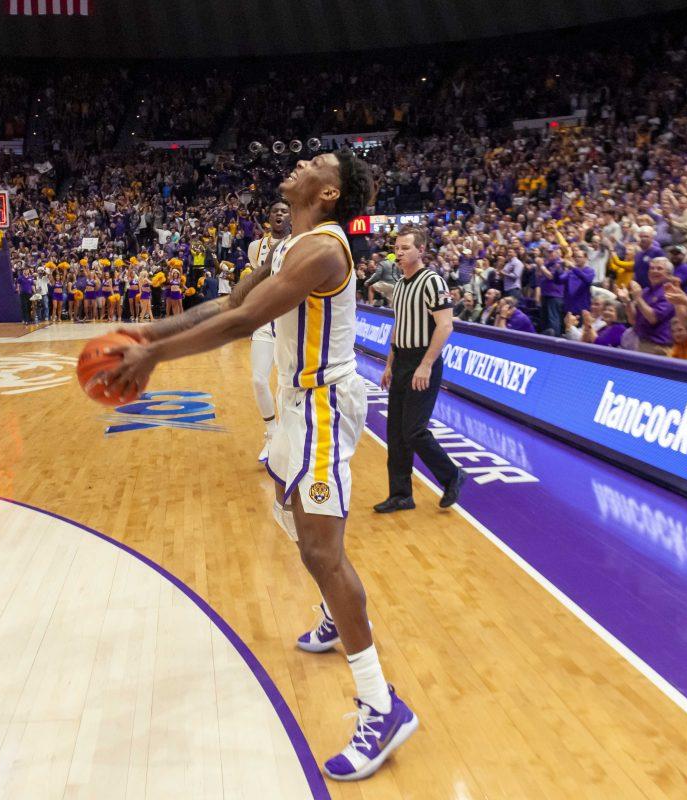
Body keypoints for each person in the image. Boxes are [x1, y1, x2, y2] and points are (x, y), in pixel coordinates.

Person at [99, 150, 418, 781]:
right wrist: (148, 334)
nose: (301, 161)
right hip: (301, 404)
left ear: (329, 193)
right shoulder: (286, 245)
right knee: (285, 499)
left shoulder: (325, 250)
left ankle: (383, 705)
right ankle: (336, 610)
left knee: (322, 553)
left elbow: (246, 321)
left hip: (324, 404)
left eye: (317, 162)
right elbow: (225, 304)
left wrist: (158, 360)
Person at [375, 226, 464, 514]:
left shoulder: (432, 282)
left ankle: (452, 475)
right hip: (401, 360)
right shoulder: (400, 285)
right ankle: (401, 494)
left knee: (413, 430)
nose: (398, 253)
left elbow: (445, 325)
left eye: (405, 248)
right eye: (397, 248)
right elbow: (398, 327)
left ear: (421, 250)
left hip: (422, 361)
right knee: (396, 432)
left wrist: (426, 364)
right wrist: (389, 364)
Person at [246, 201, 292, 462]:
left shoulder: (298, 243)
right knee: (258, 380)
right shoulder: (256, 247)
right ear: (268, 216)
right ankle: (272, 433)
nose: (279, 214)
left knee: (286, 384)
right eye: (275, 210)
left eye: (285, 211)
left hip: (289, 319)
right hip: (265, 319)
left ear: (291, 217)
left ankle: (287, 438)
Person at [621, 257, 675, 356]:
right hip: (641, 342)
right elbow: (633, 320)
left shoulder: (670, 292)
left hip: (658, 347)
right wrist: (627, 301)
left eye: (659, 268)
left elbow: (653, 318)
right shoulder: (645, 291)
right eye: (652, 268)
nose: (654, 271)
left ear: (668, 274)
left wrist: (638, 297)